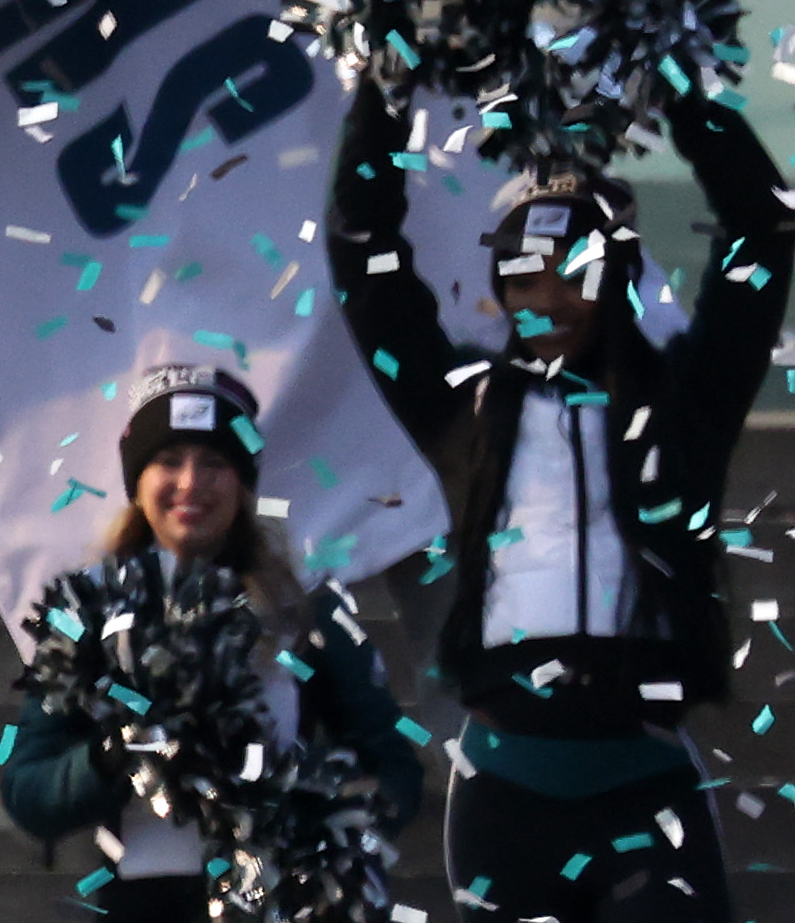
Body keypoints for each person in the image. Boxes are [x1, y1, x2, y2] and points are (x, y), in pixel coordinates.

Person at [336, 65, 788, 920]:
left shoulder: (687, 403)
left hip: (645, 783)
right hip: (505, 794)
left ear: (616, 272)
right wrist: (384, 88)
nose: (546, 302)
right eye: (522, 277)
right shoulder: (459, 406)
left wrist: (675, 75)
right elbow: (361, 249)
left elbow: (765, 227)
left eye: (571, 272)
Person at [0, 362, 420, 923]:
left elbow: (397, 770)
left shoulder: (309, 606)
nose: (191, 483)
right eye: (169, 460)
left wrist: (319, 813)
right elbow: (27, 795)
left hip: (283, 904)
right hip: (143, 907)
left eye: (214, 463)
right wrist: (119, 752)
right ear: (138, 480)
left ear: (243, 483)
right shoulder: (86, 614)